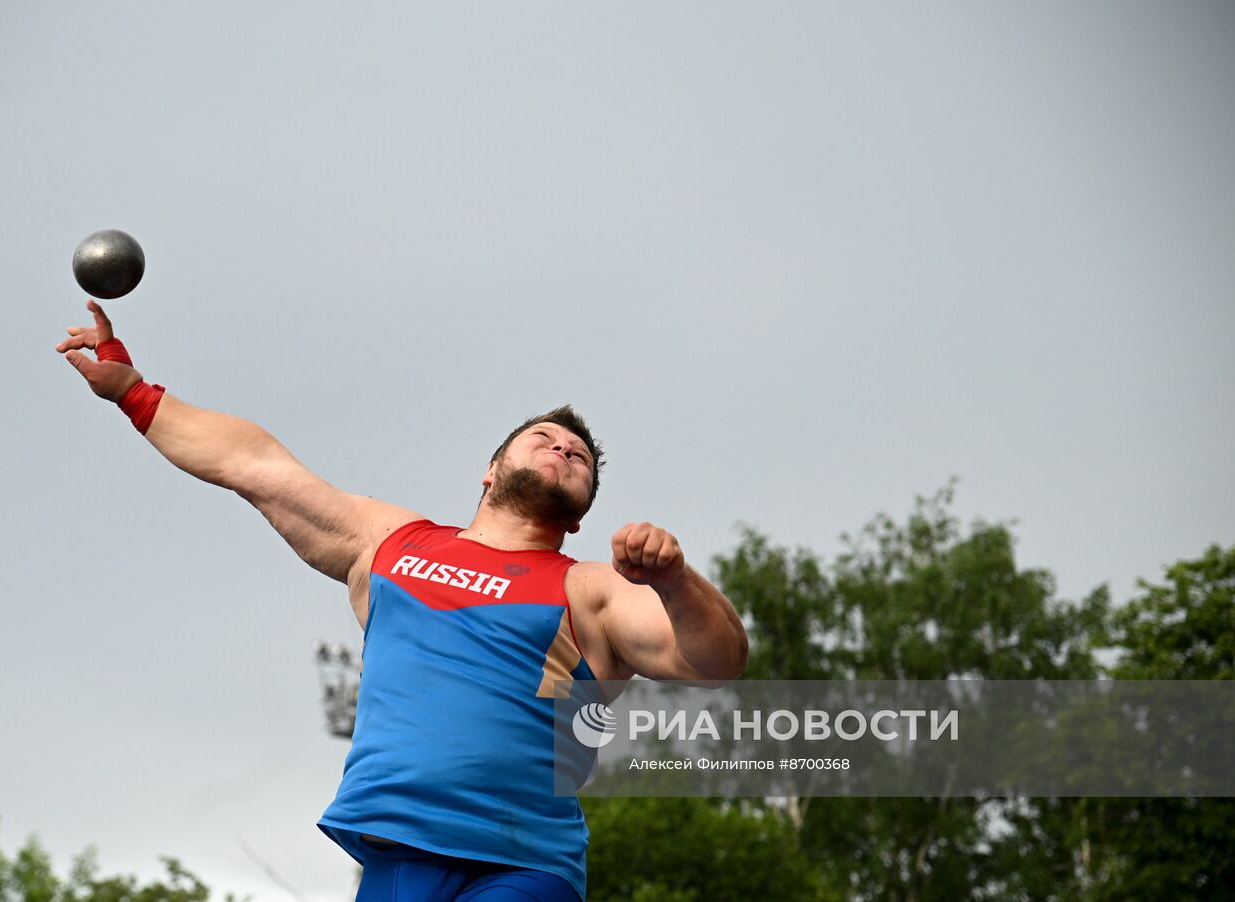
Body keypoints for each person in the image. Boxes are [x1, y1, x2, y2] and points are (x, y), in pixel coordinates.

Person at [57, 300, 748, 902]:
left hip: (527, 863)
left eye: (579, 458)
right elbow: (255, 463)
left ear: (578, 516)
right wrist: (134, 392)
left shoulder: (590, 589)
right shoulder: (393, 542)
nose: (562, 449)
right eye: (543, 438)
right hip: (395, 849)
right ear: (489, 469)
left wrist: (674, 579)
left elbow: (715, 661)